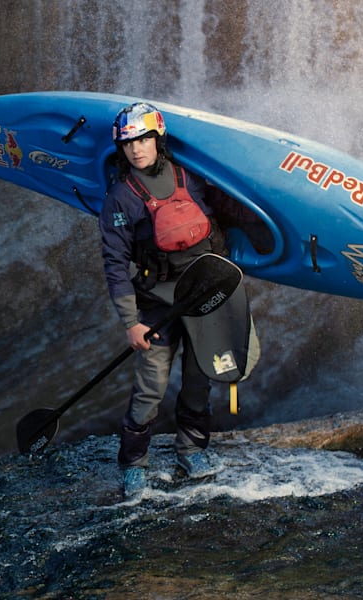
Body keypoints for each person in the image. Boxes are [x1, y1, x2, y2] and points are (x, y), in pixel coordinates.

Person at [98, 102, 226, 496]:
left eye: (143, 139)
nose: (136, 149)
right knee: (151, 387)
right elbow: (115, 263)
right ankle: (134, 464)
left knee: (199, 380)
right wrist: (130, 322)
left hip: (205, 297)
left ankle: (191, 452)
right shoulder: (121, 198)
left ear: (158, 139)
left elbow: (229, 219)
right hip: (157, 305)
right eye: (128, 143)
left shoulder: (192, 178)